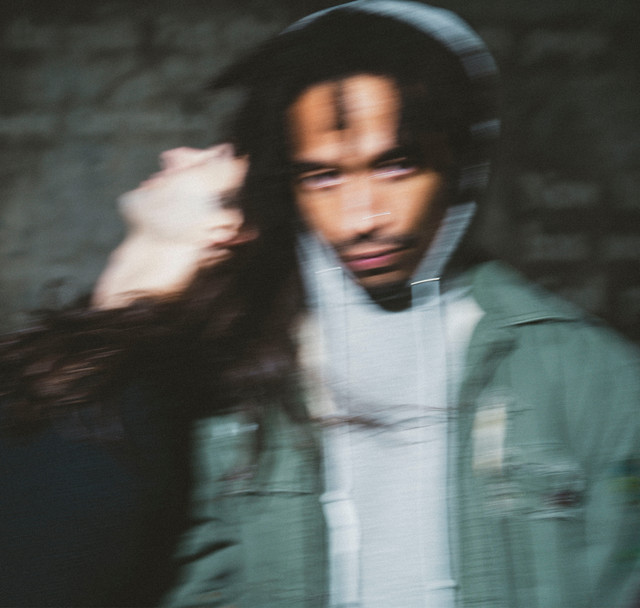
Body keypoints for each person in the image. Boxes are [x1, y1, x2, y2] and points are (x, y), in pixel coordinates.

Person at [196, 1, 638, 606]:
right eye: (323, 176)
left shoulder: (591, 375)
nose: (362, 219)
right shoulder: (239, 379)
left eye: (396, 165)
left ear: (459, 167)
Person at [0, 145, 325, 606]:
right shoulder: (101, 368)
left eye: (208, 161)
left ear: (227, 228)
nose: (175, 154)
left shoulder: (129, 400)